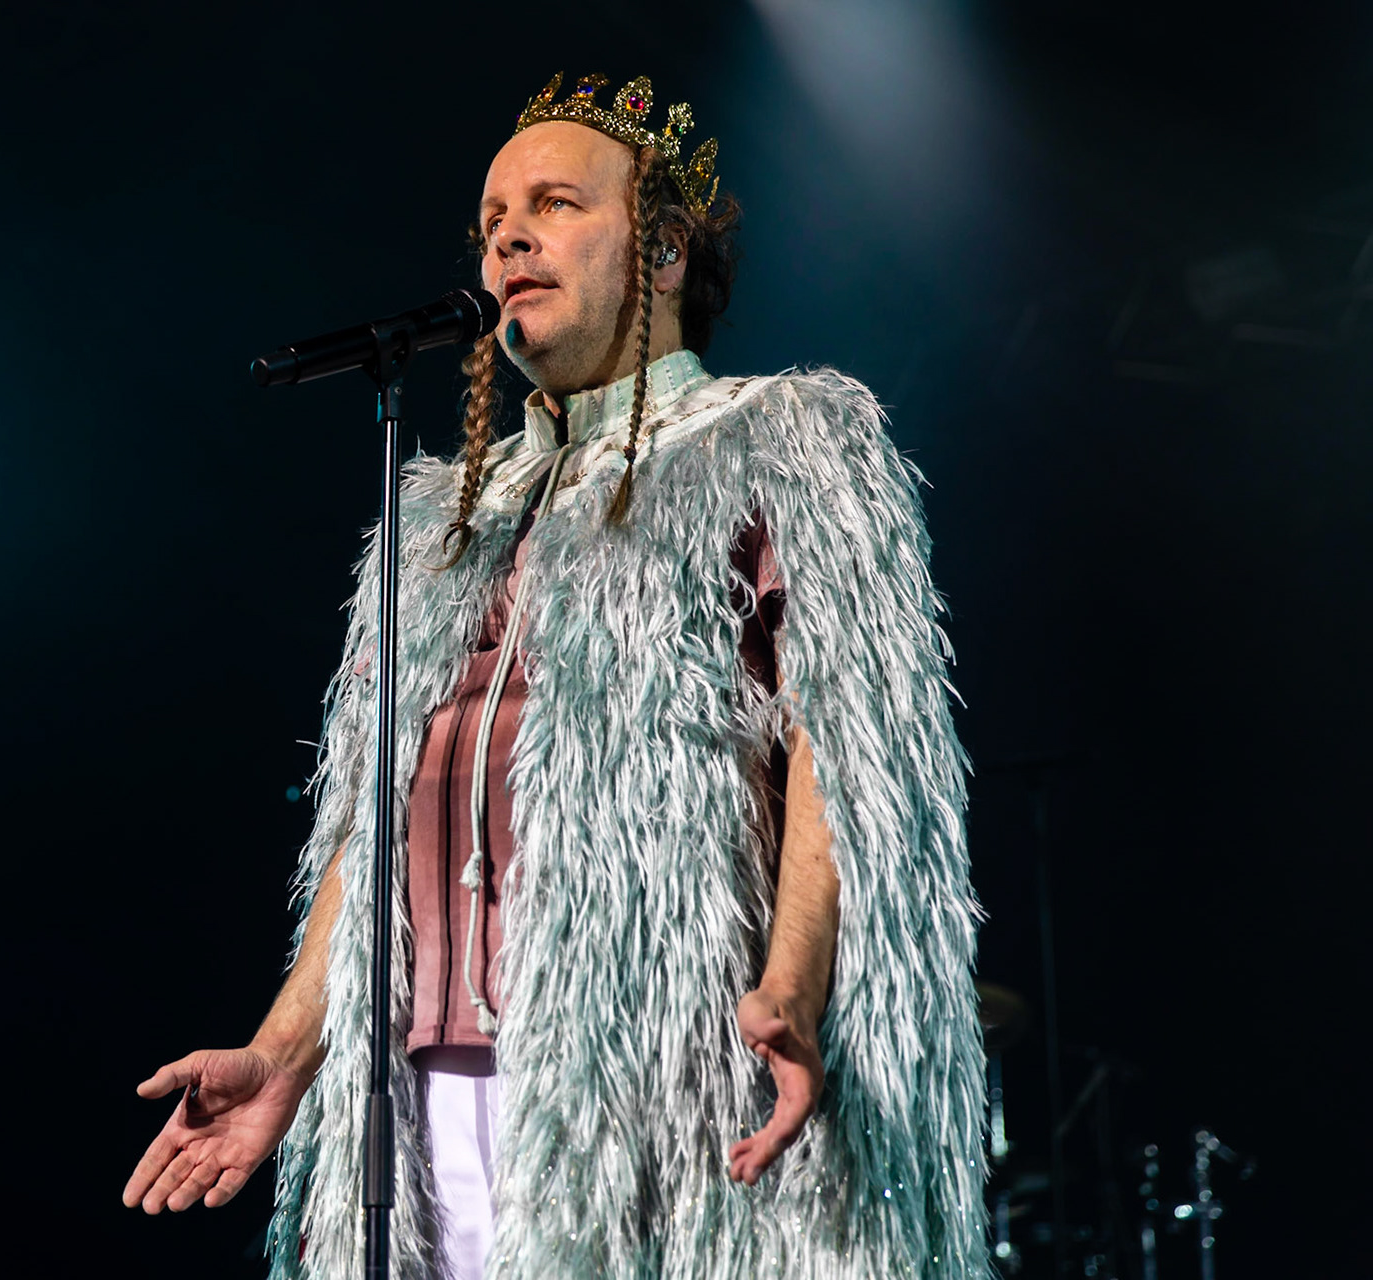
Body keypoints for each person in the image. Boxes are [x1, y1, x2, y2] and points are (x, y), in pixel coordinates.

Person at [125, 72, 987, 1279]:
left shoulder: (777, 442)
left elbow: (848, 743)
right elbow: (366, 824)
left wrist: (790, 980)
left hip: (654, 1083)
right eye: (490, 221)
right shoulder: (437, 519)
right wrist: (281, 1050)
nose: (509, 235)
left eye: (556, 202)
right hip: (422, 1098)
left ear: (666, 251)